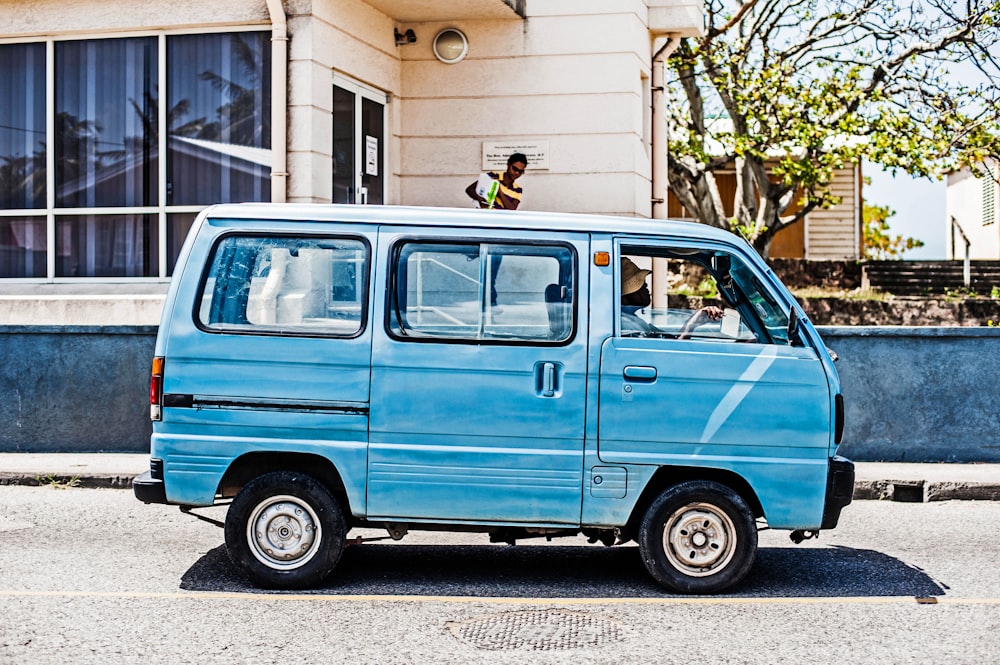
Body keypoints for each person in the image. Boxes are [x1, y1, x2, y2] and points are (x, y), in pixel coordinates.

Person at [465, 153, 528, 305]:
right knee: (485, 268)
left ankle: (490, 303)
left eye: (521, 171)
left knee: (492, 270)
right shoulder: (492, 176)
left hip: (499, 231)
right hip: (483, 225)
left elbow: (511, 209)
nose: (516, 173)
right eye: (515, 169)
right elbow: (470, 190)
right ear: (508, 165)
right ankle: (489, 303)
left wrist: (499, 191)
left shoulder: (517, 189)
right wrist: (482, 200)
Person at [620, 257, 723, 337]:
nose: (646, 286)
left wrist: (694, 321)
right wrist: (691, 324)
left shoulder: (634, 320)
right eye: (639, 284)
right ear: (624, 296)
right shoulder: (627, 325)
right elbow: (667, 357)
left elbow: (672, 342)